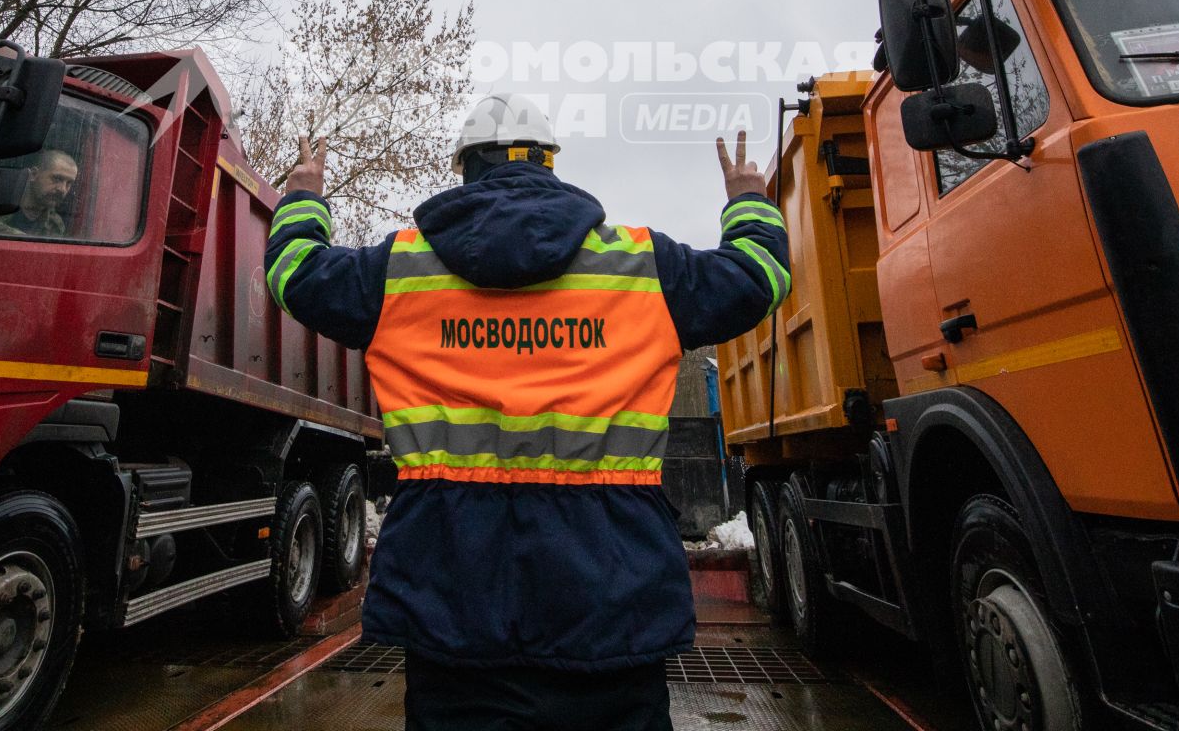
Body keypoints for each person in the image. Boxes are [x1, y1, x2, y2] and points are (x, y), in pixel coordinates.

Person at [261, 94, 790, 731]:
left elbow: (295, 273)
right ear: (550, 164)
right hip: (611, 601)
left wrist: (303, 198)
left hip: (452, 601)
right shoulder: (643, 267)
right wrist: (749, 202)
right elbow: (759, 277)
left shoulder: (398, 271)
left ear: (465, 169)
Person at [0, 146, 77, 238]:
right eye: (57, 179)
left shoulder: (55, 224)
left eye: (69, 183)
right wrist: (19, 238)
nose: (62, 189)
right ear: (34, 174)